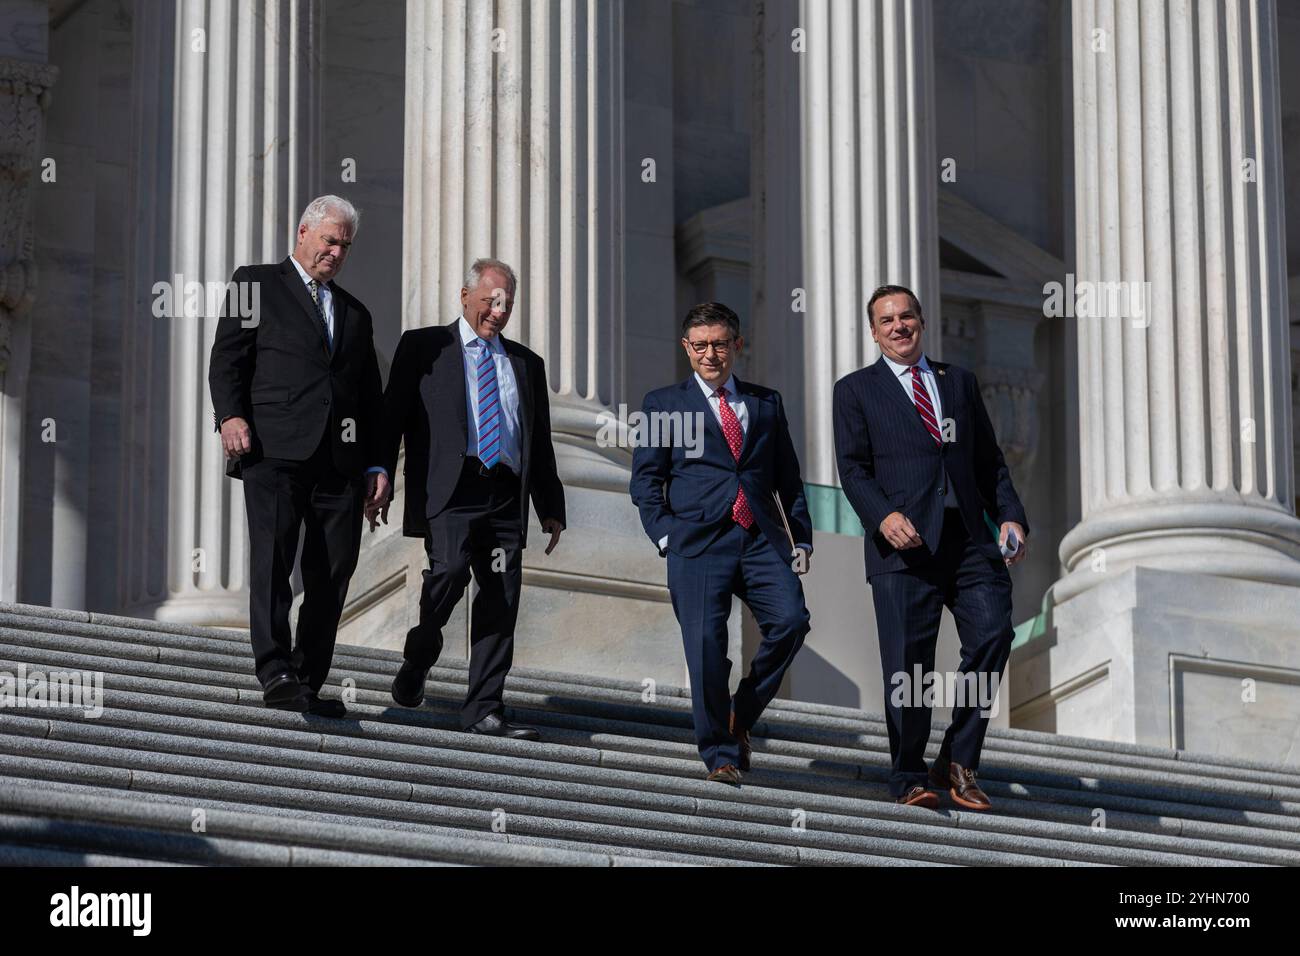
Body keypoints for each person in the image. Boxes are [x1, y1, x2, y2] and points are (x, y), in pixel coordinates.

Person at [832, 284, 1029, 810]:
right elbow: (852, 469)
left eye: (907, 316)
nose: (899, 326)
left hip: (968, 541)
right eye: (887, 320)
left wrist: (1009, 515)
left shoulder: (957, 382)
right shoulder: (855, 390)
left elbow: (988, 462)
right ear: (874, 333)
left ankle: (959, 760)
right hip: (904, 546)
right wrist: (883, 515)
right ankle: (908, 775)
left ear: (921, 320)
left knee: (993, 634)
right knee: (909, 668)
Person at [208, 195, 389, 716]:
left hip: (341, 462)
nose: (335, 251)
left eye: (345, 245)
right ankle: (275, 669)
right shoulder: (255, 283)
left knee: (333, 570)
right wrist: (230, 415)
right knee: (274, 559)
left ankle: (307, 678)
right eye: (329, 240)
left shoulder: (356, 314)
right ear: (303, 232)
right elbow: (227, 357)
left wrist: (378, 465)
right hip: (274, 448)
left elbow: (371, 400)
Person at [371, 258, 565, 739]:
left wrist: (551, 506)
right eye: (489, 300)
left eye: (506, 304)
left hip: (503, 495)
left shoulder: (525, 364)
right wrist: (376, 472)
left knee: (499, 596)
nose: (497, 312)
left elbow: (536, 440)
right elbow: (390, 415)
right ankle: (420, 654)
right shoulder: (424, 347)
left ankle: (484, 707)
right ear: (465, 297)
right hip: (452, 491)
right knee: (450, 571)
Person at [630, 302, 813, 785]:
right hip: (696, 543)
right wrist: (665, 535)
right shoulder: (664, 404)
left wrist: (803, 538)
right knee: (707, 648)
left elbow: (788, 479)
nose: (711, 354)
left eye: (720, 343)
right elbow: (646, 480)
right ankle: (720, 753)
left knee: (791, 621)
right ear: (686, 349)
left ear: (737, 345)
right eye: (701, 345)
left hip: (759, 538)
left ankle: (739, 713)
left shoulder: (766, 402)